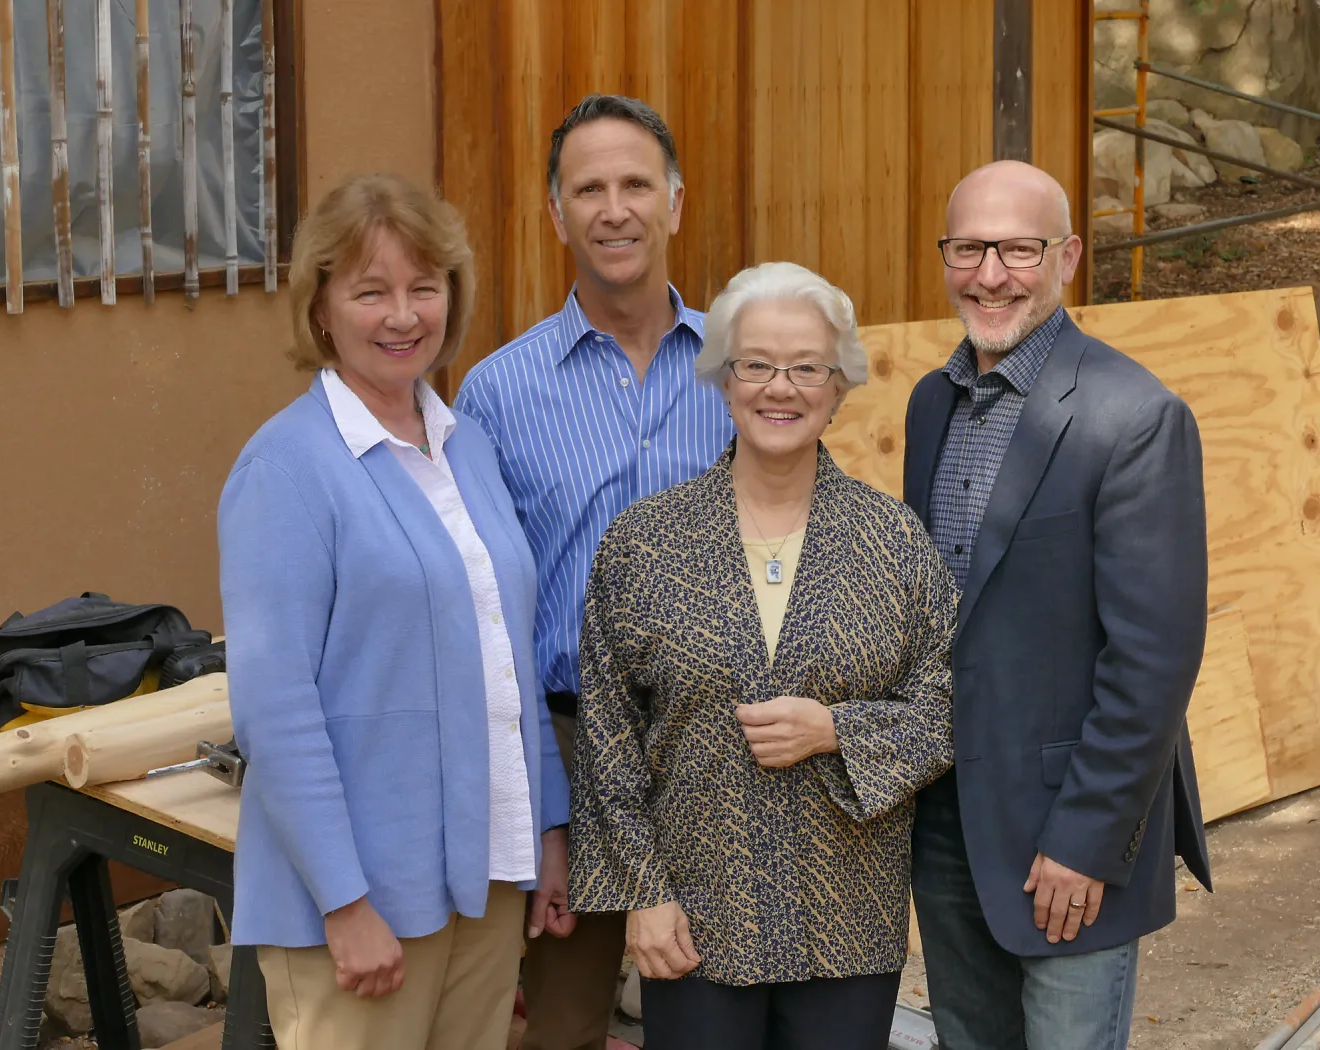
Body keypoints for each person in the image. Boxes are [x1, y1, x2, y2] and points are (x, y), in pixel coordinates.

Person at [217, 172, 571, 1050]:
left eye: (424, 286)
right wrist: (344, 903)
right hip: (365, 904)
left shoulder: (466, 446)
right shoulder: (287, 471)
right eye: (370, 291)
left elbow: (510, 658)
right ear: (323, 310)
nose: (403, 315)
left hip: (485, 882)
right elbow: (276, 710)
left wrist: (549, 830)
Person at [568, 261, 957, 1050]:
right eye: (758, 365)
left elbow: (949, 706)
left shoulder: (894, 544)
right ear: (724, 377)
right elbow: (608, 740)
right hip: (695, 924)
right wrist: (642, 894)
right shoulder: (645, 544)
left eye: (807, 367)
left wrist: (838, 731)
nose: (781, 389)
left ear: (839, 383)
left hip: (847, 922)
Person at [903, 159, 1213, 1050]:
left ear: (1068, 256)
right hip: (950, 822)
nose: (990, 273)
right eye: (968, 248)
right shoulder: (932, 404)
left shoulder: (1134, 416)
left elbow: (1153, 659)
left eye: (1018, 248)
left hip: (1067, 834)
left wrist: (1087, 838)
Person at [454, 94, 733, 1050]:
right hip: (565, 748)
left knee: (717, 1010)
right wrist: (534, 805)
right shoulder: (495, 392)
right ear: (557, 214)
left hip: (715, 740)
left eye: (635, 184)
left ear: (676, 202)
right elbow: (485, 610)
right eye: (589, 189)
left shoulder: (743, 372)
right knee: (563, 1022)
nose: (615, 209)